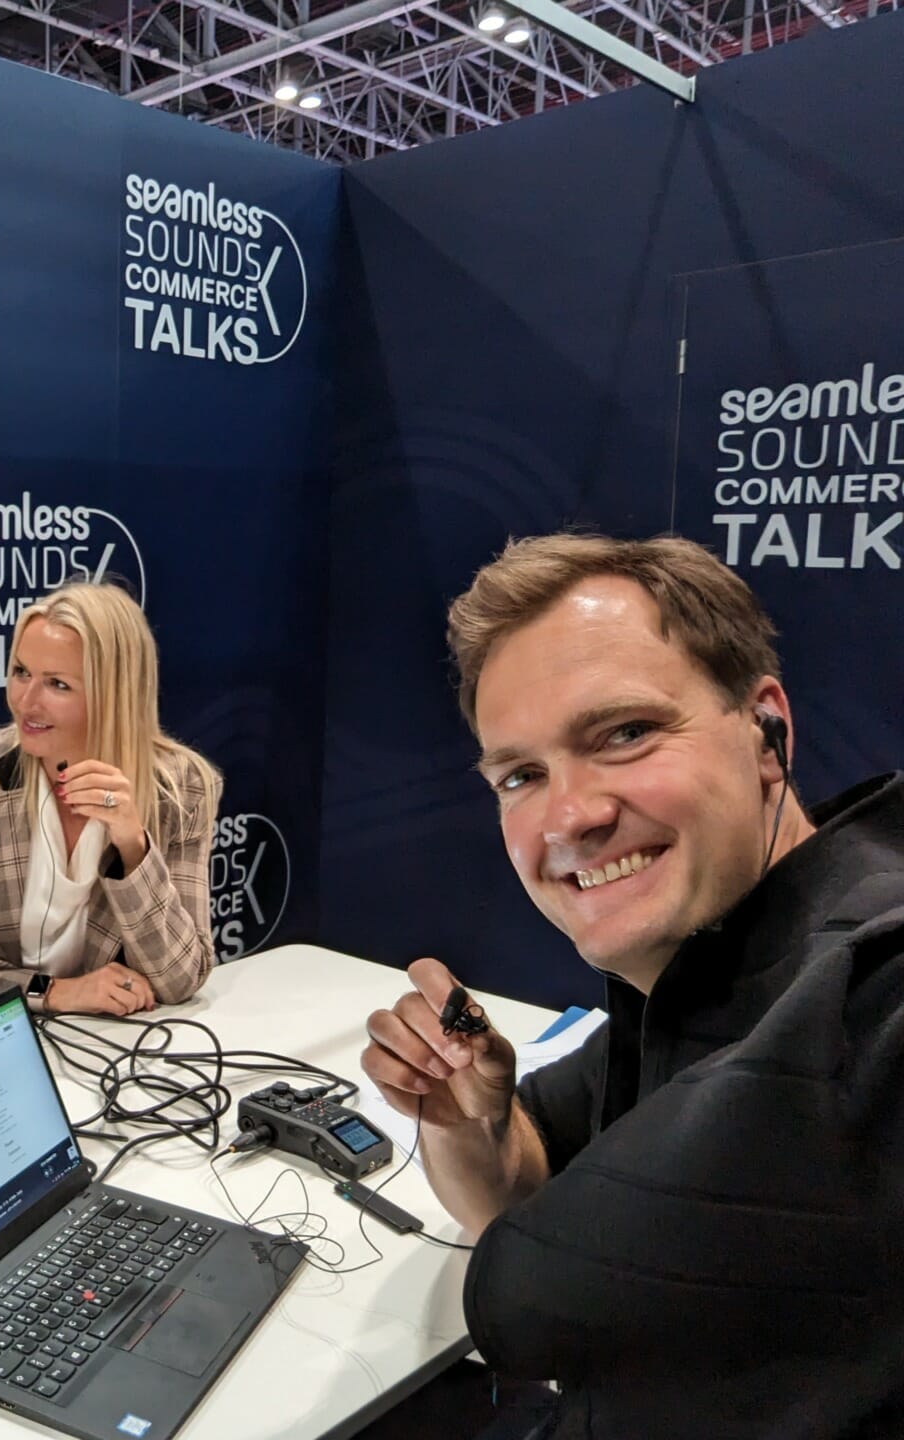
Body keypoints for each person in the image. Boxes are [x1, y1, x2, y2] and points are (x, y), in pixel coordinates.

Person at [360, 534, 904, 1438]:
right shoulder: (709, 959)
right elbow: (518, 1181)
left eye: (626, 733)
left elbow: (523, 1299)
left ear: (767, 733)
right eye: (521, 775)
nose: (570, 816)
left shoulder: (869, 993)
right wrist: (469, 1120)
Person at [0, 580, 223, 1040]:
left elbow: (181, 978)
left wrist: (132, 843)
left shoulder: (181, 788)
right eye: (22, 672)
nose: (25, 702)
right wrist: (52, 992)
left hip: (104, 1048)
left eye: (58, 684)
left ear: (114, 693)